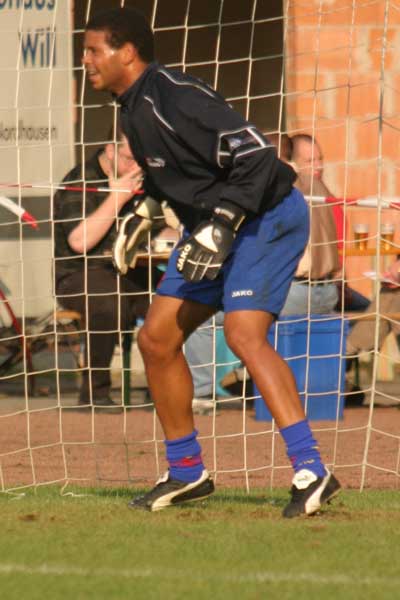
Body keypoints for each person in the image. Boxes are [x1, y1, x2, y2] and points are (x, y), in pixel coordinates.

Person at [83, 7, 341, 517]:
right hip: (213, 225)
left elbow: (258, 157)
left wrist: (222, 224)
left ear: (127, 53)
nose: (86, 61)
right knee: (156, 338)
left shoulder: (176, 96)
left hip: (265, 216)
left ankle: (313, 470)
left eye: (94, 51)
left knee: (244, 334)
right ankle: (187, 472)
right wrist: (146, 210)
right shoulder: (131, 107)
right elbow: (177, 172)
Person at [54, 127, 163, 408]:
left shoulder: (144, 178)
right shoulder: (80, 179)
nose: (137, 167)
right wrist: (117, 198)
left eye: (142, 161)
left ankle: (164, 388)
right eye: (131, 159)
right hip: (81, 273)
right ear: (111, 150)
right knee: (107, 301)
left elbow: (160, 231)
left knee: (173, 298)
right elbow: (79, 242)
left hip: (133, 269)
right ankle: (95, 393)